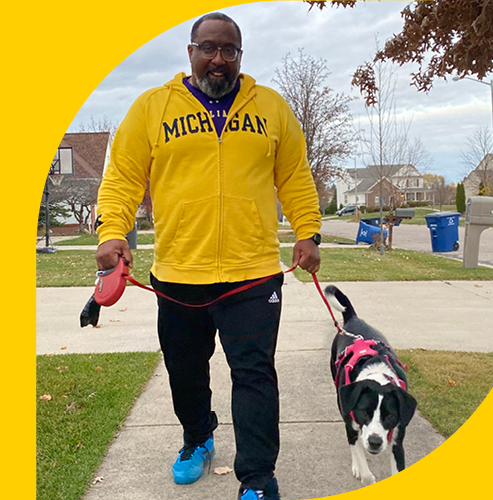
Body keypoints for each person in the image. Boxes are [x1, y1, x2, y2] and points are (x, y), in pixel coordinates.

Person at [94, 12, 321, 500]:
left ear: (240, 56)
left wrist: (310, 232)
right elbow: (123, 179)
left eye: (230, 51)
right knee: (185, 372)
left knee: (255, 375)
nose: (219, 59)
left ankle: (258, 478)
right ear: (191, 51)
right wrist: (112, 232)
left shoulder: (273, 109)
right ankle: (197, 436)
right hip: (178, 274)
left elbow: (295, 177)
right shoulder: (152, 108)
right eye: (209, 48)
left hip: (253, 274)